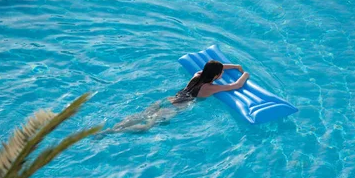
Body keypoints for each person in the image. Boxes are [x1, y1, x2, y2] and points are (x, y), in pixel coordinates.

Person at [105, 60, 249, 133]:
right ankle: (115, 133)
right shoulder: (210, 88)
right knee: (147, 127)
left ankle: (110, 129)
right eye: (221, 72)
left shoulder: (197, 75)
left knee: (141, 115)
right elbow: (235, 85)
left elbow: (213, 68)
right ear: (217, 76)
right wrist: (245, 74)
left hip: (167, 100)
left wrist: (235, 65)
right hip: (175, 108)